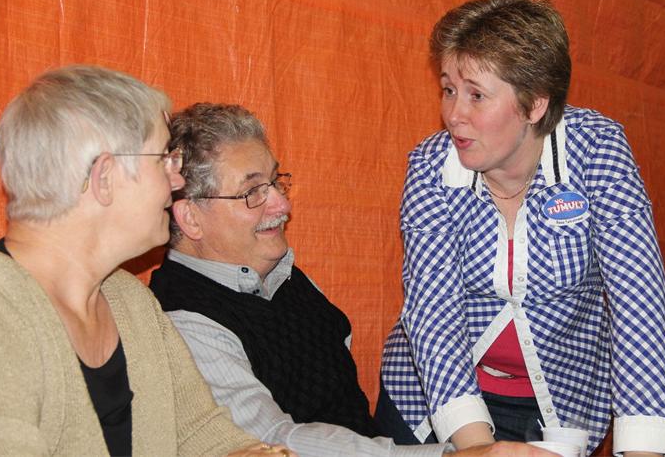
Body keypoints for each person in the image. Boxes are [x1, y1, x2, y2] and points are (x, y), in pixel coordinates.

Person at [149, 102, 554, 457]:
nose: (282, 204)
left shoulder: (285, 278)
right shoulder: (183, 320)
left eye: (275, 181)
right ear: (191, 218)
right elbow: (270, 442)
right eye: (252, 192)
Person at [376, 0, 665, 457]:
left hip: (559, 401)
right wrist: (477, 447)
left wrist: (647, 445)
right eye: (448, 89)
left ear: (535, 104)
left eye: (476, 95)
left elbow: (638, 303)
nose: (453, 114)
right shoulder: (431, 167)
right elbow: (433, 311)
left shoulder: (597, 150)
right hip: (433, 398)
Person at [0, 65, 293, 456]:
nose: (178, 181)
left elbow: (204, 436)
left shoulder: (130, 301)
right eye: (164, 161)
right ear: (105, 177)